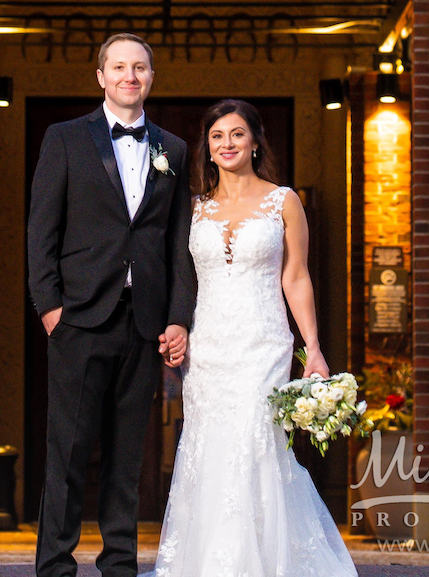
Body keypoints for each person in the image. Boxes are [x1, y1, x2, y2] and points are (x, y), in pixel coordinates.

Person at [153, 98, 357, 577]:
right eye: (218, 136)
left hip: (263, 340)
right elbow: (179, 276)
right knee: (211, 446)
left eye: (237, 134)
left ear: (255, 141)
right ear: (207, 146)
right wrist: (176, 325)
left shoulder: (282, 200)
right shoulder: (194, 208)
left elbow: (297, 277)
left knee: (254, 443)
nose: (227, 144)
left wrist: (314, 350)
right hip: (208, 349)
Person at [27, 33, 196, 577]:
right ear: (101, 76)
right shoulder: (65, 138)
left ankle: (119, 564)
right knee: (70, 450)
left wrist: (176, 316)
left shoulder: (173, 148)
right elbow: (40, 230)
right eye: (119, 67)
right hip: (78, 317)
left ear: (151, 77)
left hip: (142, 321)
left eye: (140, 67)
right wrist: (50, 306)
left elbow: (177, 242)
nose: (130, 76)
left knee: (127, 456)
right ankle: (55, 564)